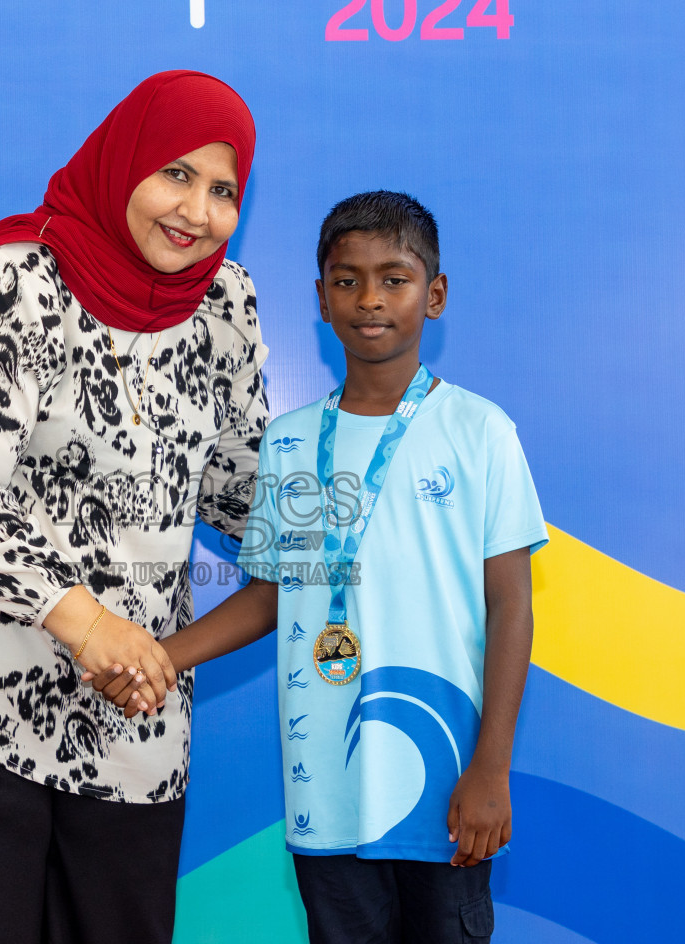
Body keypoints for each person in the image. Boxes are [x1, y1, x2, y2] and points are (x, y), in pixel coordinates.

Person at [0, 70, 267, 944]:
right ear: (124, 165)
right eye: (176, 174)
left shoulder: (225, 305)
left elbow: (241, 485)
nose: (196, 210)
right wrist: (83, 621)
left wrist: (346, 507)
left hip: (135, 697)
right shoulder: (17, 280)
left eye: (224, 190)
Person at [89, 190, 547, 944]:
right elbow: (274, 592)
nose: (369, 299)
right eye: (346, 280)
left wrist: (491, 769)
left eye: (394, 279)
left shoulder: (480, 432)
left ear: (434, 295)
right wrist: (157, 658)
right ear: (321, 299)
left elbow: (512, 608)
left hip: (446, 786)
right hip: (324, 786)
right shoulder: (292, 442)